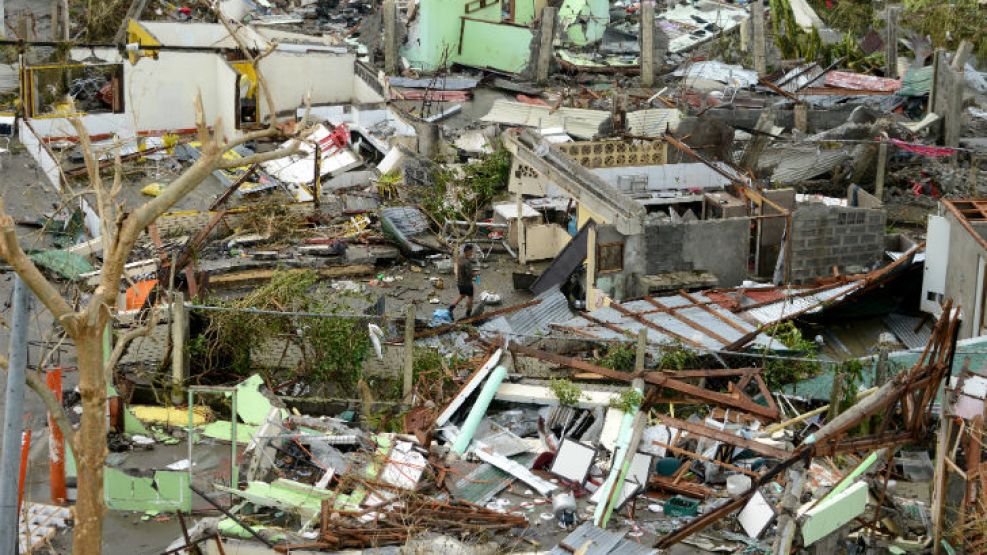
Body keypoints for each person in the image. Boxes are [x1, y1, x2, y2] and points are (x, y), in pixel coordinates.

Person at [449, 244, 477, 319]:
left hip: (460, 283)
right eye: (471, 252)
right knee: (470, 298)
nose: (472, 253)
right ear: (467, 251)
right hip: (467, 283)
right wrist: (476, 273)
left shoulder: (460, 259)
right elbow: (469, 275)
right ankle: (468, 313)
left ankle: (451, 307)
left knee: (462, 295)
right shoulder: (467, 263)